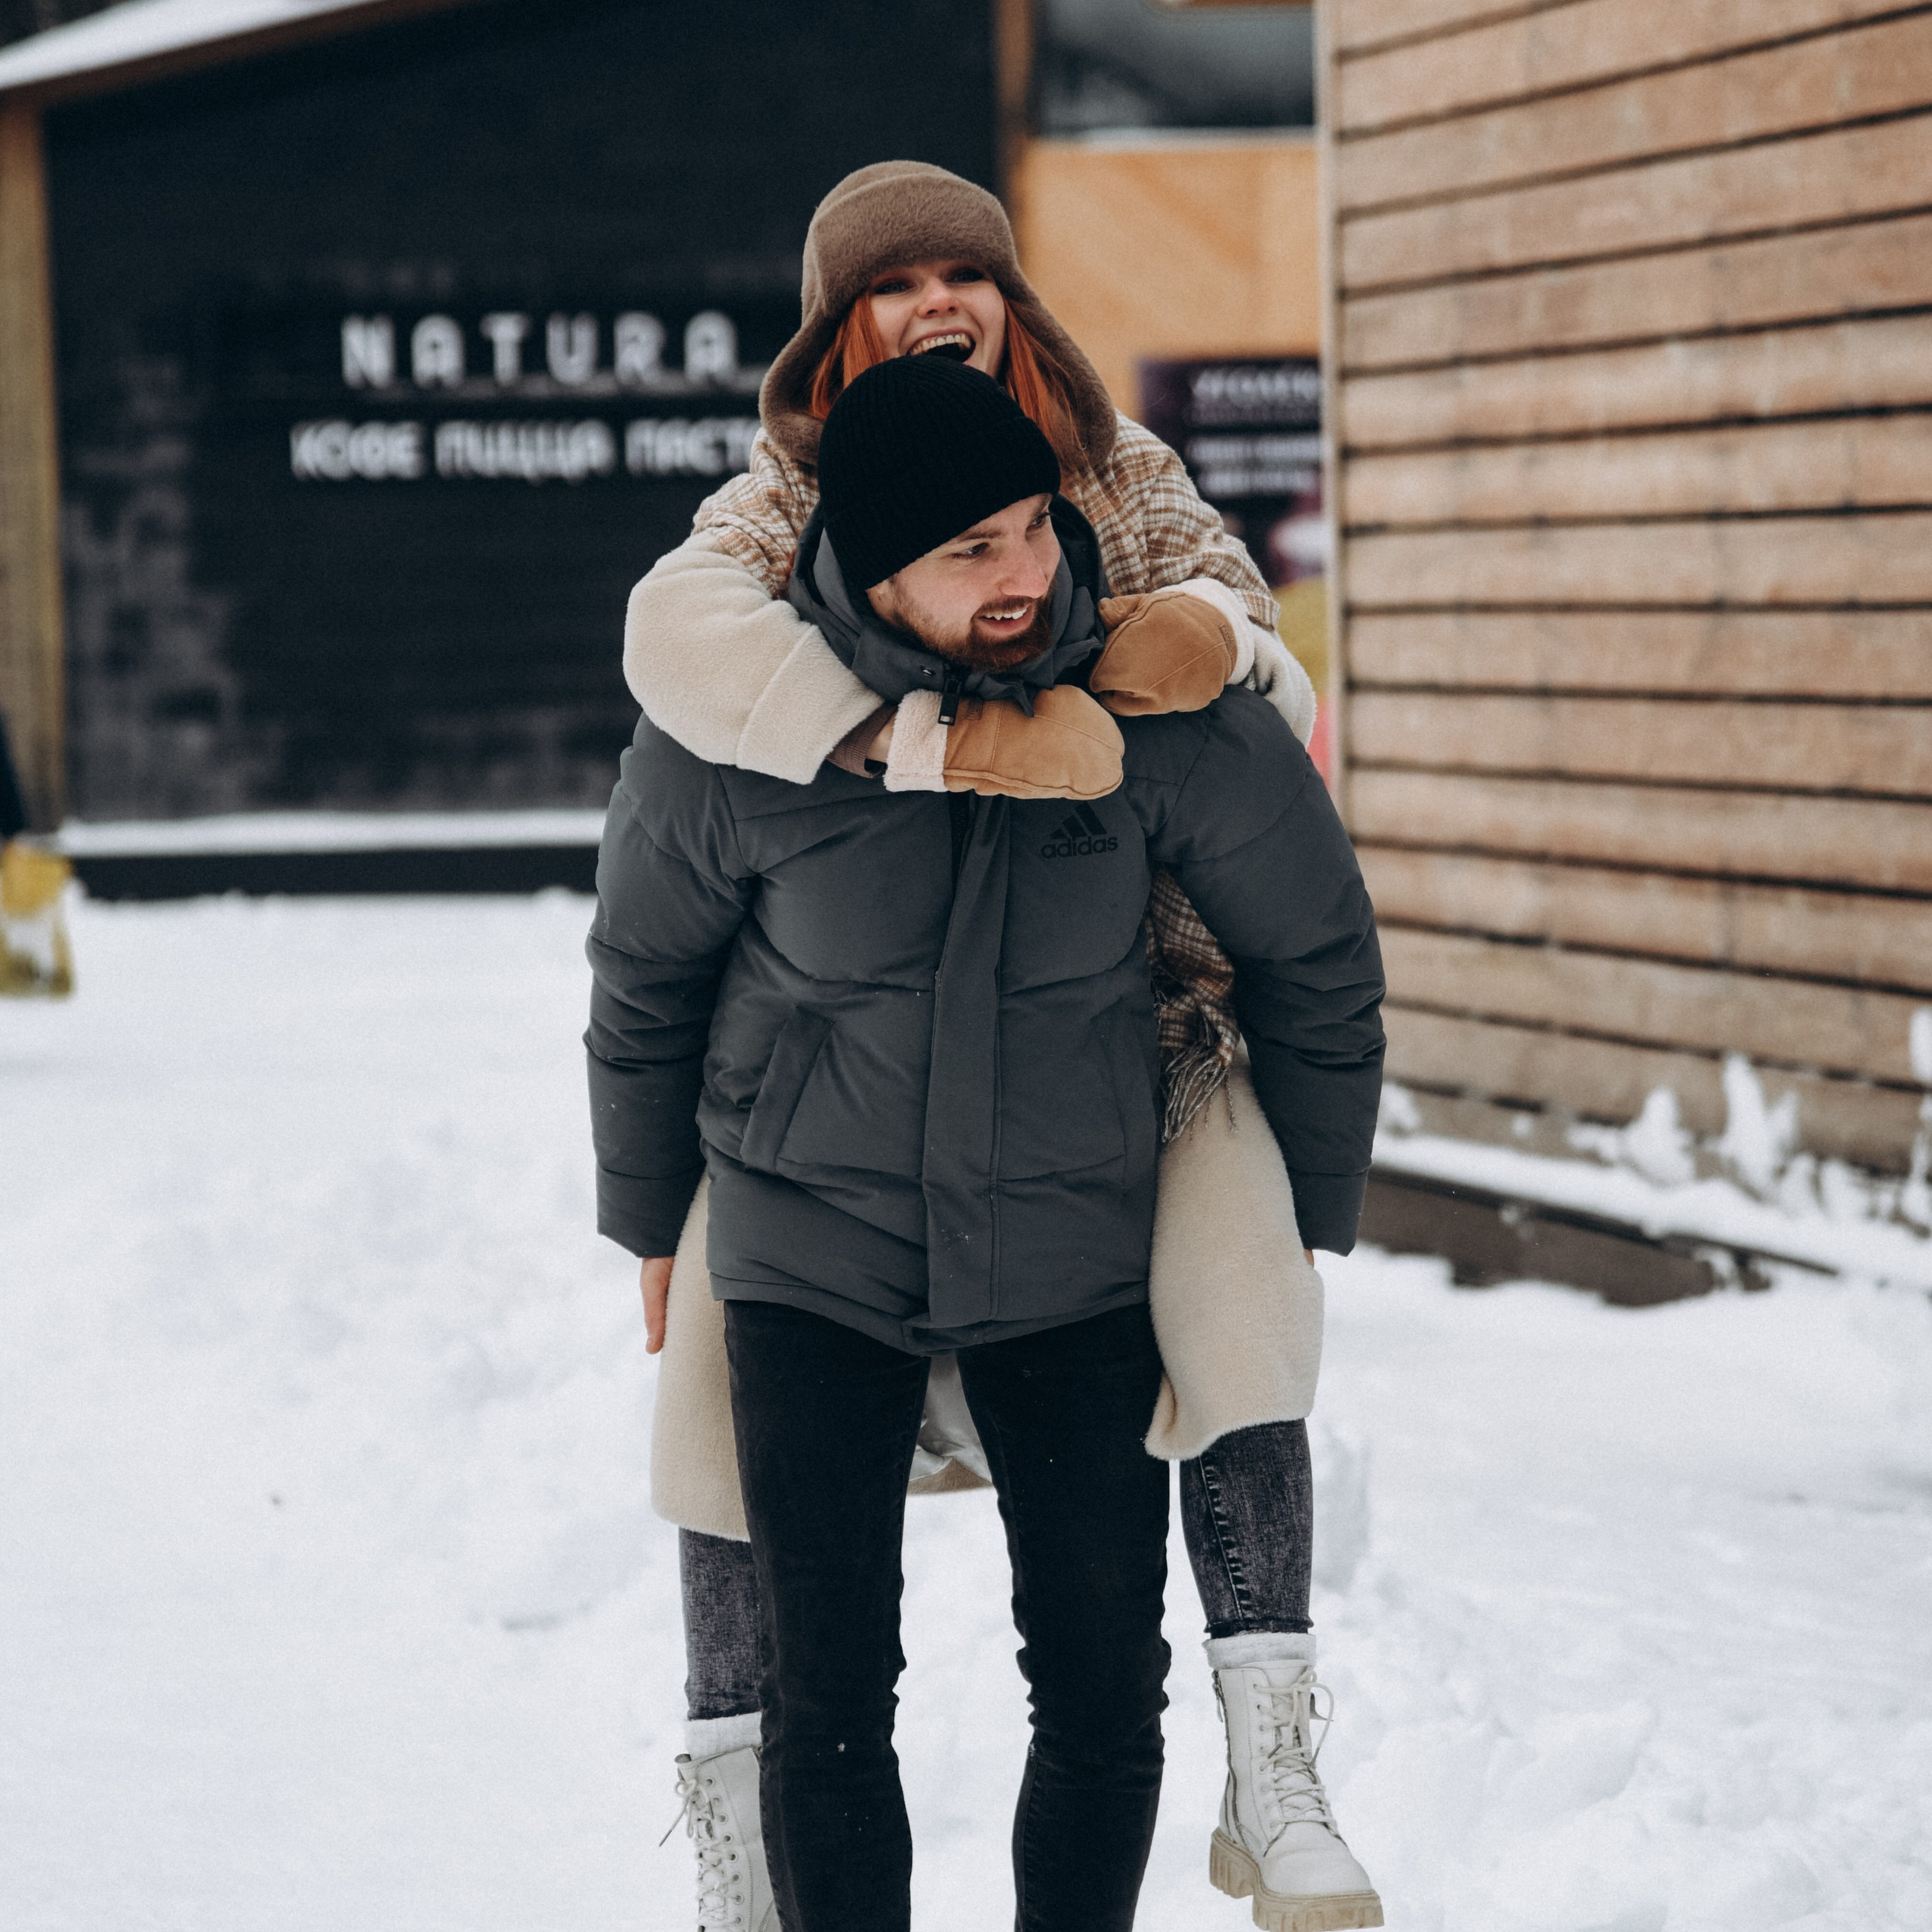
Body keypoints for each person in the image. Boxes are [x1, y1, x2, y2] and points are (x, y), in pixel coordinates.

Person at [623, 162, 1383, 1932]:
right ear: (837, 330)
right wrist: (924, 744)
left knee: (1243, 1296)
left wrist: (1208, 642)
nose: (935, 300)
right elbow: (679, 648)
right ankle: (731, 1789)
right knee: (720, 1383)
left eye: (967, 269)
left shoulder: (1112, 478)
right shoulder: (777, 506)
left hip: (1139, 1018)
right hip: (847, 1063)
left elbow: (1234, 644)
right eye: (892, 285)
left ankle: (1273, 1755)